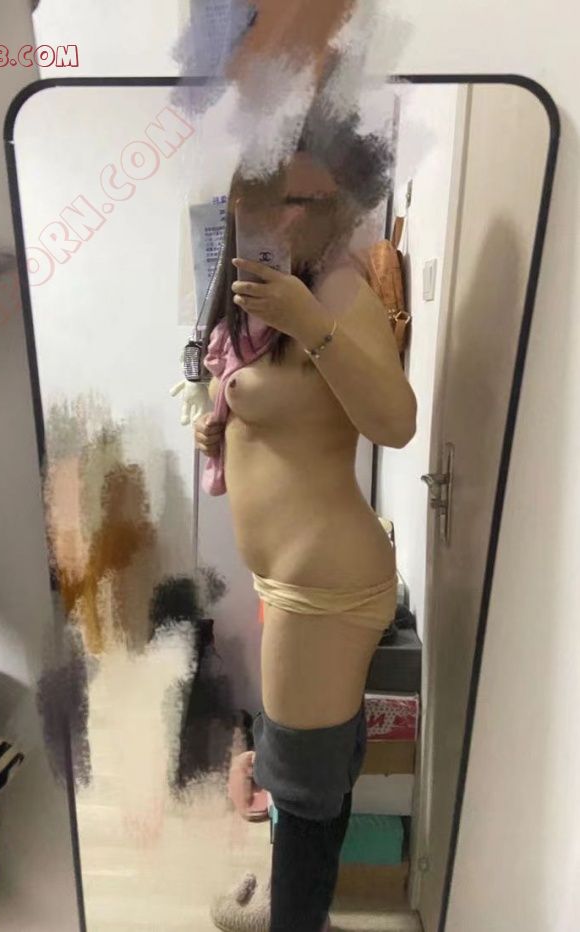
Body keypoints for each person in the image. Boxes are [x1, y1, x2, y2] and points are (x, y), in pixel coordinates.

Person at [194, 150, 417, 932]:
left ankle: (294, 919)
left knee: (299, 781)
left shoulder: (337, 292)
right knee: (314, 768)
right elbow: (278, 418)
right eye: (267, 199)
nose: (285, 218)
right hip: (295, 581)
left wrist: (311, 323)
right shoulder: (255, 306)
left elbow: (396, 423)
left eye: (309, 202)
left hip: (325, 584)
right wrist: (219, 426)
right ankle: (302, 915)